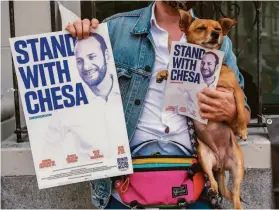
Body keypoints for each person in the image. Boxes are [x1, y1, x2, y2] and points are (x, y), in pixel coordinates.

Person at [66, 1, 251, 209]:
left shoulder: (218, 39)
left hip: (195, 184)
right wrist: (76, 39)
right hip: (124, 189)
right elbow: (77, 95)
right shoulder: (115, 30)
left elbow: (245, 114)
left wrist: (233, 110)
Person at [75, 32, 114, 102]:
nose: (86, 67)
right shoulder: (75, 100)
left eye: (91, 57)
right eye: (79, 61)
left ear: (106, 56)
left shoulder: (125, 84)